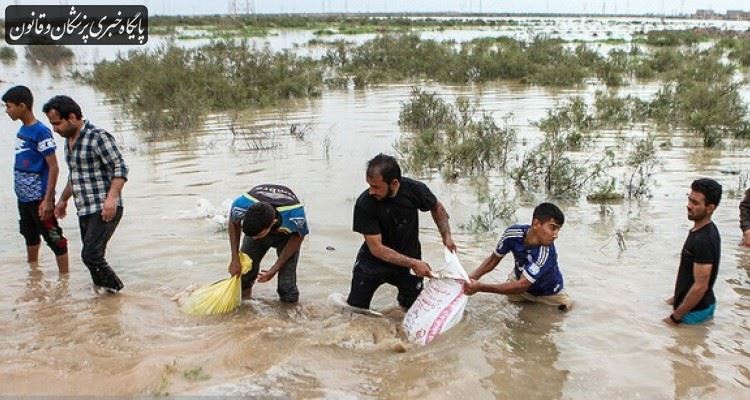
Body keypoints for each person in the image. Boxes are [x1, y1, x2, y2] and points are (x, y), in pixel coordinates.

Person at [345, 153, 456, 311]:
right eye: (369, 185)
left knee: (412, 310)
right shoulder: (365, 204)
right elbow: (377, 249)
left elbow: (436, 207)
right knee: (356, 311)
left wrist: (447, 237)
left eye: (376, 187)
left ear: (394, 183)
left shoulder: (414, 190)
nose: (371, 191)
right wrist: (413, 263)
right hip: (373, 262)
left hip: (409, 260)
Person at [42, 95, 128, 293]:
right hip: (85, 208)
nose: (55, 129)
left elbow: (120, 168)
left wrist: (111, 198)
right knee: (94, 258)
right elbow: (75, 176)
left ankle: (118, 293)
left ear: (72, 117)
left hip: (105, 206)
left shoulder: (98, 137)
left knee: (91, 255)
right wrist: (63, 200)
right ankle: (104, 300)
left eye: (57, 123)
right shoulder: (69, 141)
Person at [3, 86, 69, 273]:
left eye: (9, 107)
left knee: (53, 237)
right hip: (23, 197)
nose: (7, 111)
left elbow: (53, 166)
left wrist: (48, 199)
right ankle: (33, 273)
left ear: (22, 106)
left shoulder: (41, 132)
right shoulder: (23, 130)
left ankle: (64, 279)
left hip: (38, 196)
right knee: (29, 234)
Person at [463, 202, 573, 311]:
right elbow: (493, 260)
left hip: (550, 294)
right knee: (502, 311)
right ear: (536, 224)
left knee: (564, 311)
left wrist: (480, 287)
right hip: (519, 284)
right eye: (553, 228)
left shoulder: (546, 253)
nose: (556, 235)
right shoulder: (512, 234)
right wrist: (470, 279)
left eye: (558, 230)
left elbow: (521, 286)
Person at [227, 184, 309, 303]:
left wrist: (275, 268)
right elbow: (234, 223)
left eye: (258, 236)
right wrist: (235, 258)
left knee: (286, 286)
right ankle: (245, 307)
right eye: (252, 236)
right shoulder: (240, 205)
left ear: (273, 223)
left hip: (288, 237)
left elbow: (299, 237)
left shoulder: (295, 216)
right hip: (258, 227)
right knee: (244, 277)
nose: (254, 239)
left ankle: (287, 317)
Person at [664, 178, 722, 326]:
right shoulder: (704, 230)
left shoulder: (704, 239)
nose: (689, 206)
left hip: (693, 313)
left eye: (695, 203)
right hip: (701, 307)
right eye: (690, 200)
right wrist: (675, 298)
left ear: (710, 208)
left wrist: (674, 318)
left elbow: (700, 286)